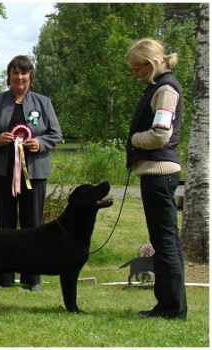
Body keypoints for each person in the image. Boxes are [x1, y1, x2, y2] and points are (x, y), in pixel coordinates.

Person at [0, 55, 63, 291]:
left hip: (33, 175)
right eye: (15, 73)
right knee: (4, 226)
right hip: (2, 175)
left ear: (30, 77)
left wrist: (40, 144)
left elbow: (56, 134)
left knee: (33, 226)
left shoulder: (43, 103)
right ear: (9, 77)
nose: (19, 77)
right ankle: (2, 278)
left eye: (24, 73)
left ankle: (31, 278)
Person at [125, 38, 187, 320]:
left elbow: (160, 134)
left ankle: (170, 308)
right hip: (159, 173)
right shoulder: (160, 87)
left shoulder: (165, 90)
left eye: (137, 69)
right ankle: (171, 306)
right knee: (167, 242)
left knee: (164, 243)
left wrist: (135, 139)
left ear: (150, 65)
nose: (135, 75)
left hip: (159, 173)